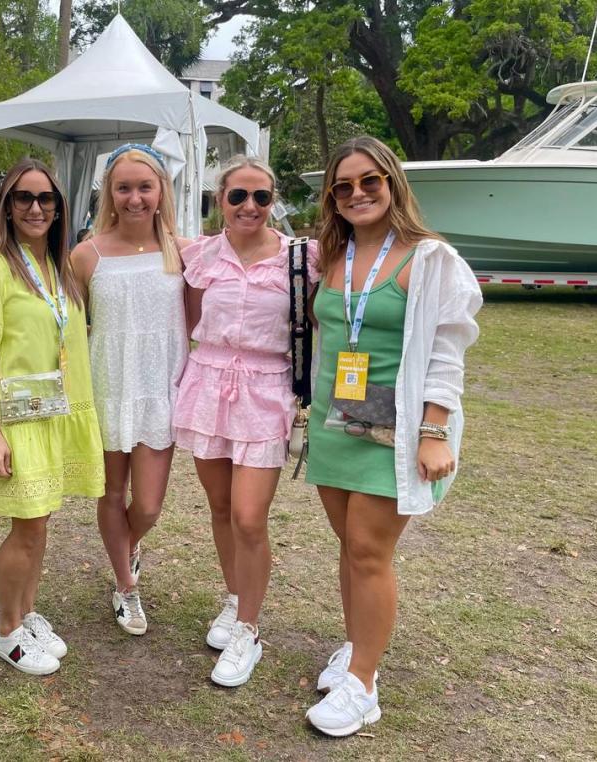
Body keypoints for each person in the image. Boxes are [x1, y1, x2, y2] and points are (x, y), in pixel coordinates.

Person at [304, 136, 482, 736]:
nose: (358, 194)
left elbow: (447, 353)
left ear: (393, 182)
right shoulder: (332, 255)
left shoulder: (430, 260)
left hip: (397, 429)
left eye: (370, 181)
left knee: (369, 552)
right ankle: (359, 650)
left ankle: (363, 684)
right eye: (344, 186)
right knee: (350, 548)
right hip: (337, 425)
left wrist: (434, 431)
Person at [172, 155, 318, 687]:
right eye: (239, 196)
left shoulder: (303, 258)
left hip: (266, 388)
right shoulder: (200, 256)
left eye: (261, 196)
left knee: (250, 517)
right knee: (220, 506)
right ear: (221, 201)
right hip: (208, 383)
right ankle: (235, 600)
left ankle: (249, 630)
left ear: (273, 200)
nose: (251, 206)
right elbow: (188, 322)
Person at [0, 158, 105, 675]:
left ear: (61, 208)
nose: (36, 208)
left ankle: (26, 611)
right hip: (18, 422)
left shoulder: (62, 269)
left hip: (57, 413)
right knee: (28, 528)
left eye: (46, 199)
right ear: (7, 205)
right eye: (24, 198)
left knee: (41, 526)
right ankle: (6, 628)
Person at [70, 143, 188, 636]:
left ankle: (127, 542)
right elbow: (72, 331)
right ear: (109, 194)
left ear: (161, 191)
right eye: (124, 188)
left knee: (149, 506)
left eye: (145, 186)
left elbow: (196, 323)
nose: (135, 198)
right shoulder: (86, 254)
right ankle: (125, 586)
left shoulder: (183, 250)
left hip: (161, 387)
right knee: (113, 492)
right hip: (108, 387)